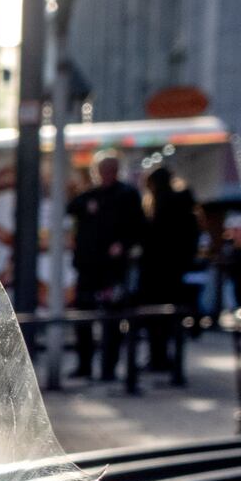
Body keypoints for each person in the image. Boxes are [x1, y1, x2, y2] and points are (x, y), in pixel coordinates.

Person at [67, 154, 145, 380]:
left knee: (112, 318)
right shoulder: (89, 196)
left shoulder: (127, 195)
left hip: (112, 269)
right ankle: (85, 365)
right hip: (88, 266)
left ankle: (108, 367)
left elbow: (138, 228)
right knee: (83, 315)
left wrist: (123, 245)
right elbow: (71, 208)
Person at [139, 167, 201, 373]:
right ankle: (165, 359)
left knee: (156, 318)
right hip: (175, 270)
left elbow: (150, 238)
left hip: (157, 271)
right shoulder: (183, 204)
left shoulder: (161, 205)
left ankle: (159, 358)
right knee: (169, 319)